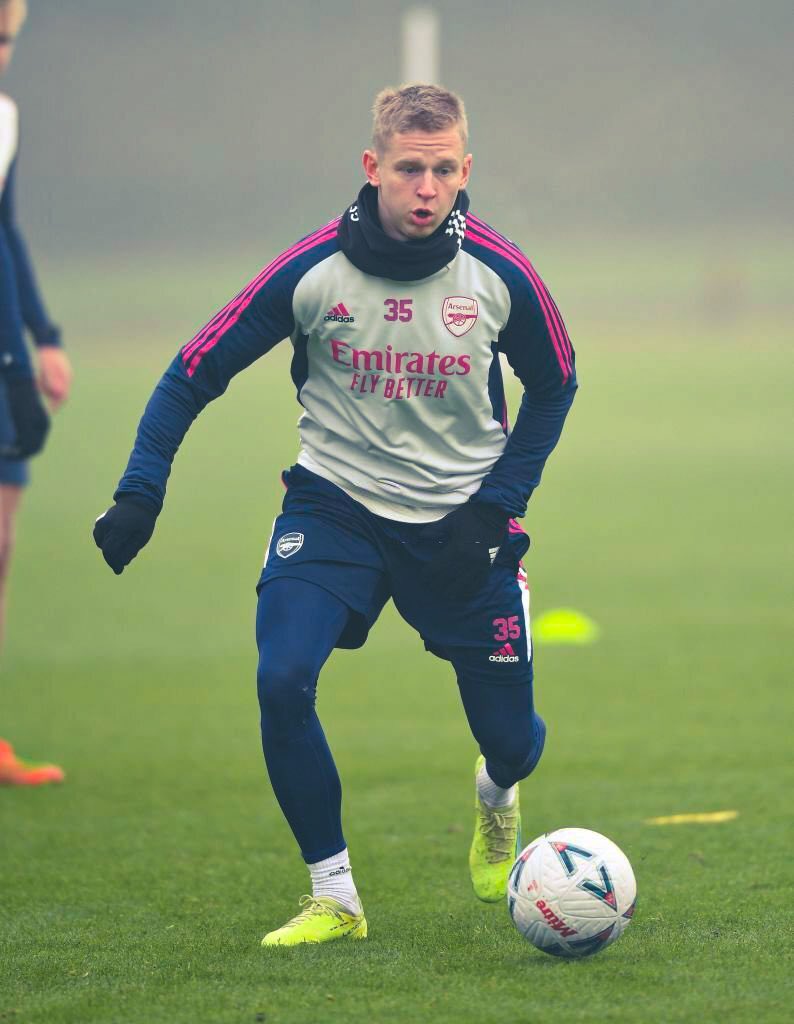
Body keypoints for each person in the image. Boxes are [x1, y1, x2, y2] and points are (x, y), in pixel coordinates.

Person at [93, 84, 577, 944]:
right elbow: (192, 372)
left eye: (441, 171)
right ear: (372, 168)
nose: (424, 189)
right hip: (336, 508)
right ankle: (335, 897)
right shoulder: (313, 270)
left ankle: (498, 792)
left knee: (515, 740)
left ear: (464, 171)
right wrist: (140, 491)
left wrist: (499, 506)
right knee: (281, 678)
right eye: (407, 170)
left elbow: (557, 385)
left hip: (463, 527)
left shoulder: (499, 275)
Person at [0, 0, 71, 786]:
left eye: (5, 40)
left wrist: (42, 338)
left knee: (2, 548)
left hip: (4, 360)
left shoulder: (5, 119)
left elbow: (5, 232)